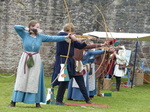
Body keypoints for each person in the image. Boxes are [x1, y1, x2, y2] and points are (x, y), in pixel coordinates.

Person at [9, 20, 72, 108]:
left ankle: (37, 102)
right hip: (25, 58)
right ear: (31, 27)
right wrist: (25, 28)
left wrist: (66, 37)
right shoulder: (24, 34)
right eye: (36, 27)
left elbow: (53, 38)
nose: (38, 29)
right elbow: (16, 27)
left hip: (36, 59)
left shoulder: (40, 37)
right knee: (21, 79)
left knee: (35, 79)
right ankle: (13, 101)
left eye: (39, 27)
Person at [51, 23, 93, 105]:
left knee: (72, 80)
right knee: (64, 81)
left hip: (70, 61)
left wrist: (86, 41)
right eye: (71, 31)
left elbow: (80, 46)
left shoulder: (71, 40)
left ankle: (86, 99)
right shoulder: (61, 36)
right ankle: (58, 101)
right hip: (63, 60)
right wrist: (69, 35)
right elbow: (60, 34)